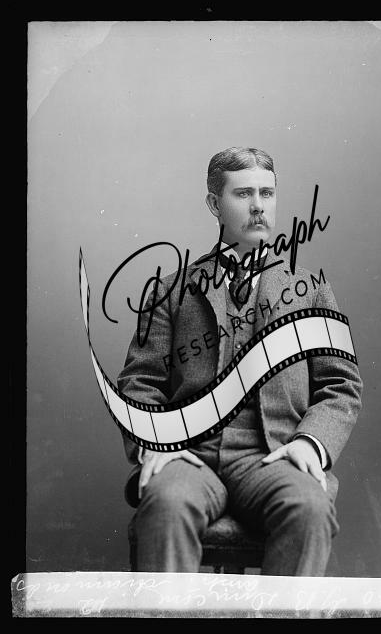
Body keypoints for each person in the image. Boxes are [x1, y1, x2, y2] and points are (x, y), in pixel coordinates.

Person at [117, 146, 363, 576]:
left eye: (267, 193)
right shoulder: (170, 291)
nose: (258, 206)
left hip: (273, 456)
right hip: (190, 455)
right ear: (215, 204)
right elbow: (140, 381)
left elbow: (341, 385)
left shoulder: (309, 290)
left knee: (309, 508)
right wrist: (157, 442)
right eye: (244, 194)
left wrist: (309, 442)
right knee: (167, 502)